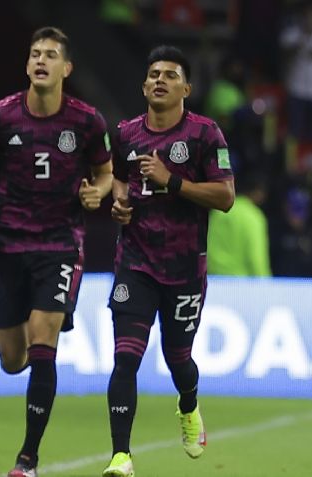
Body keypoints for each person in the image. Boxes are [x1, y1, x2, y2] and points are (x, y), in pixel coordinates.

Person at [0, 27, 114, 477]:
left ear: (66, 68)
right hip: (9, 244)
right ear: (28, 65)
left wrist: (97, 194)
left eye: (51, 55)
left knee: (43, 337)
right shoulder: (0, 117)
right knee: (13, 359)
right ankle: (35, 365)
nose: (41, 60)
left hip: (61, 246)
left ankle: (27, 458)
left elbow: (105, 174)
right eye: (35, 54)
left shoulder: (87, 121)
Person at [102, 45, 235, 477]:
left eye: (170, 74)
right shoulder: (124, 133)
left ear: (186, 88)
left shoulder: (204, 134)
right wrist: (119, 205)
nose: (160, 79)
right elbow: (119, 182)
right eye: (154, 73)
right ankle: (121, 455)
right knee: (126, 358)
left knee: (179, 358)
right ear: (144, 86)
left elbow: (226, 197)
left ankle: (189, 404)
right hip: (135, 262)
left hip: (183, 270)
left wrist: (171, 181)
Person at [207, 173, 271, 276]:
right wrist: (265, 286)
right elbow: (256, 258)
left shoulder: (218, 211)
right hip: (240, 285)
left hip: (213, 280)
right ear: (258, 192)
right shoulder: (253, 217)